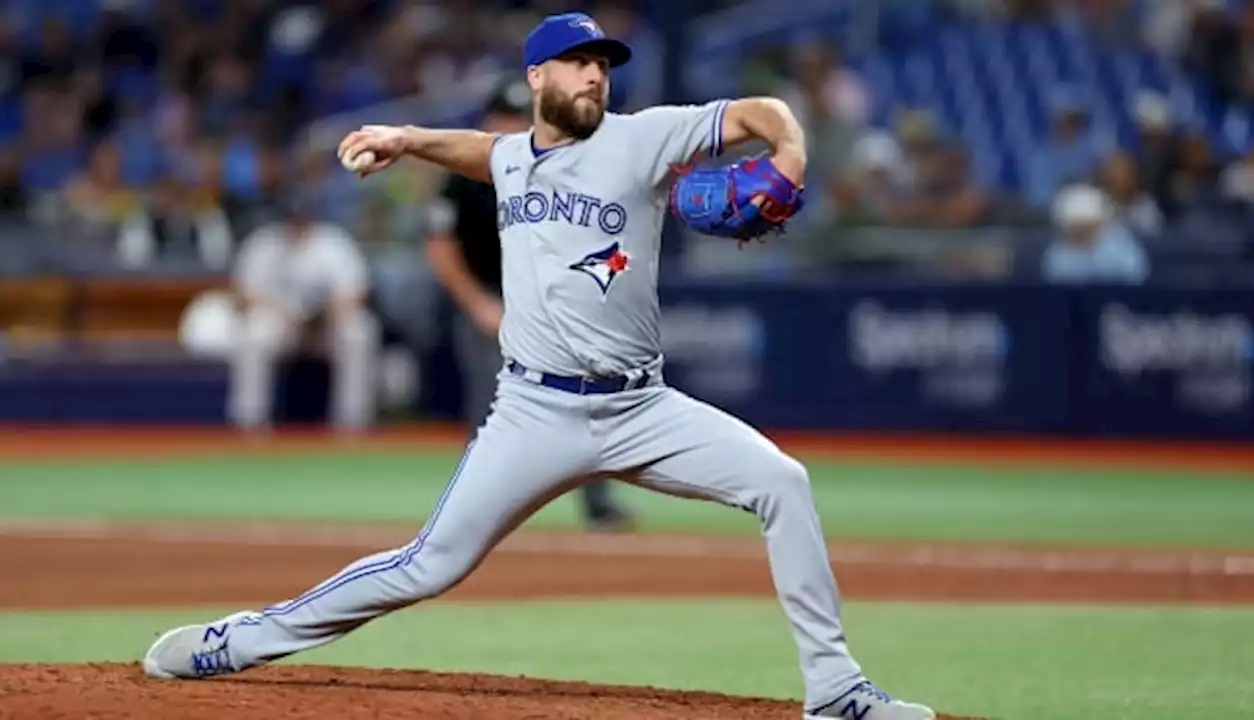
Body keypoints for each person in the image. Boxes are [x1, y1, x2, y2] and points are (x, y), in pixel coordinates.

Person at [141, 12, 936, 720]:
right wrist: (408, 138)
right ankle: (237, 640)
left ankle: (835, 692)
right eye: (578, 61)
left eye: (604, 63)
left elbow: (764, 113)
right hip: (534, 414)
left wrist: (791, 153)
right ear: (537, 76)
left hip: (643, 409)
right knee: (427, 566)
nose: (596, 74)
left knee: (783, 483)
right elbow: (484, 153)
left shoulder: (643, 136)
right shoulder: (514, 159)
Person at [425, 75, 637, 532]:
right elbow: (441, 247)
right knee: (491, 409)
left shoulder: (559, 169)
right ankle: (475, 513)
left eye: (519, 118)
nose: (511, 127)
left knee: (583, 400)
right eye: (503, 116)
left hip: (549, 304)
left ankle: (599, 503)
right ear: (486, 119)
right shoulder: (463, 176)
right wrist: (478, 304)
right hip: (487, 299)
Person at [227, 189, 380, 433]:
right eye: (291, 217)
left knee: (359, 331)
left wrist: (327, 315)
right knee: (255, 334)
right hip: (281, 324)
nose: (296, 222)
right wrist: (285, 316)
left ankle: (352, 423)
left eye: (301, 216)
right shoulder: (264, 243)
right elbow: (245, 295)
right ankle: (250, 421)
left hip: (325, 325)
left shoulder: (332, 242)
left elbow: (356, 293)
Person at [1042, 184, 1150, 285]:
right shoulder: (1057, 253)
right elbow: (1053, 279)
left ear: (1100, 223)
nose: (1082, 230)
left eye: (1087, 224)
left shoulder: (1120, 243)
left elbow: (1137, 274)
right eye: (1076, 225)